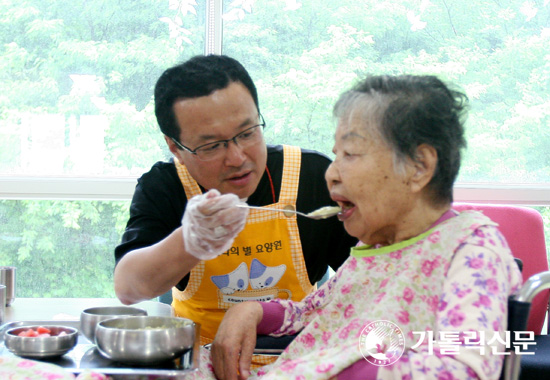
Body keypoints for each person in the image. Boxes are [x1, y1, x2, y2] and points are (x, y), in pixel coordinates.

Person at [192, 74, 523, 380]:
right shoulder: (374, 251)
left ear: (419, 167)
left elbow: (464, 367)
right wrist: (254, 311)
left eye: (349, 154)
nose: (330, 174)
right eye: (336, 155)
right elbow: (314, 312)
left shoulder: (472, 250)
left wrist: (336, 370)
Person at [113, 55, 358, 348]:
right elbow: (128, 288)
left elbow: (368, 280)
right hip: (201, 361)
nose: (237, 158)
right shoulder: (165, 186)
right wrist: (191, 241)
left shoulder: (313, 176)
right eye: (212, 146)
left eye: (247, 133)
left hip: (297, 358)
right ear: (175, 147)